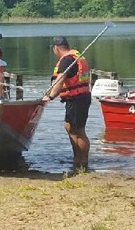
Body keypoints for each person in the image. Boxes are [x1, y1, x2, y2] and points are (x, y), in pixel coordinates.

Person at [41, 36, 91, 169]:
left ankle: (83, 162)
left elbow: (60, 81)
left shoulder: (66, 61)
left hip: (77, 99)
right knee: (69, 127)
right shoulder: (75, 56)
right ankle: (77, 159)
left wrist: (50, 97)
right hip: (79, 97)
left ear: (55, 48)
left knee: (78, 130)